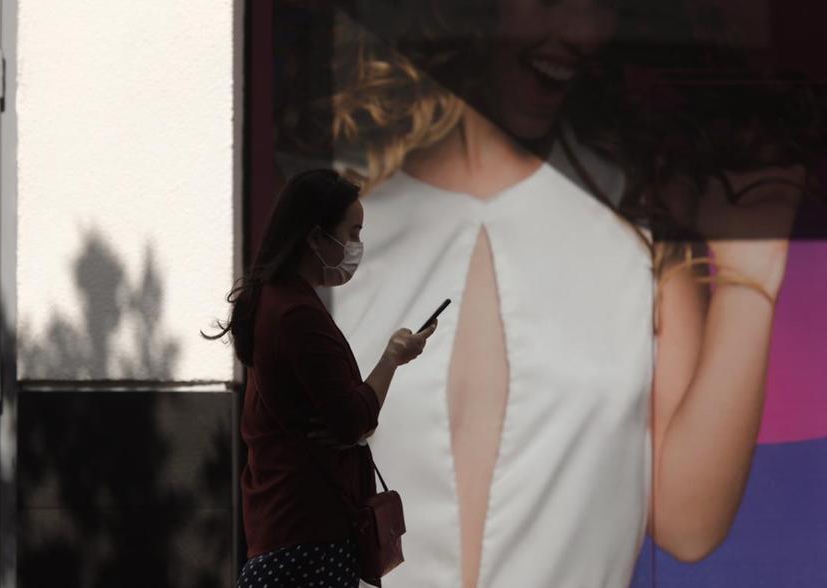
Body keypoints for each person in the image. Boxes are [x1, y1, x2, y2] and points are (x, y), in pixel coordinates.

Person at [287, 1, 818, 586]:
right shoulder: (342, 239)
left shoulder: (638, 233)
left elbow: (688, 524)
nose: (582, 30)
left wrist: (753, 269)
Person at [205, 169, 437, 587]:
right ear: (314, 238)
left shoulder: (275, 302)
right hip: (309, 537)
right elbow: (353, 418)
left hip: (286, 531)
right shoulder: (296, 314)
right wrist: (392, 358)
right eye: (352, 233)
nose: (356, 247)